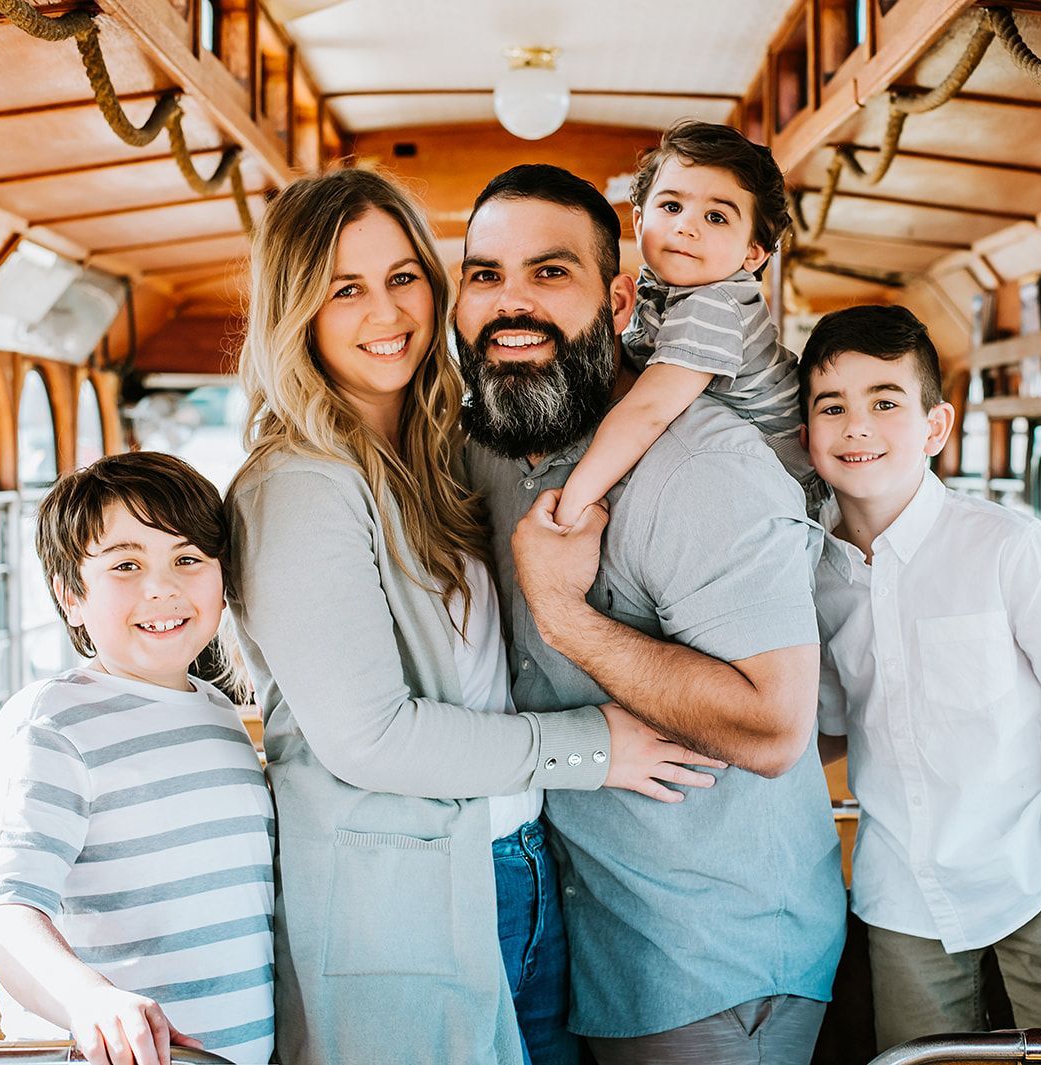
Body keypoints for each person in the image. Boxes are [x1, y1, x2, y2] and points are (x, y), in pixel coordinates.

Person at [224, 167, 723, 1065]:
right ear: (295, 309)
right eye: (346, 289)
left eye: (403, 276)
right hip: (405, 901)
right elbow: (370, 737)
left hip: (517, 866)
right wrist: (593, 746)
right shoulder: (298, 485)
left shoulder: (434, 451)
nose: (387, 314)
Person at [458, 163, 848, 1065]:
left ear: (621, 295)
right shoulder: (487, 439)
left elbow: (774, 725)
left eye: (550, 272)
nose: (512, 303)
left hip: (713, 956)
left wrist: (567, 615)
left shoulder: (704, 467)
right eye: (486, 275)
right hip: (575, 942)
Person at [797, 304, 1041, 1048]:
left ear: (935, 426)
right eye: (833, 407)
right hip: (901, 890)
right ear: (806, 436)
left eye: (885, 402)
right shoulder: (814, 574)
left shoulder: (1003, 544)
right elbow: (829, 725)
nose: (857, 427)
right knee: (925, 1061)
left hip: (1034, 866)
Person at [0, 451, 274, 1065]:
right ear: (70, 596)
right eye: (126, 565)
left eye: (188, 559)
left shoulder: (215, 709)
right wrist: (89, 999)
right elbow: (4, 910)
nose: (162, 586)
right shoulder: (51, 723)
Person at [553, 120, 805, 527]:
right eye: (671, 206)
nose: (686, 225)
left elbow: (648, 409)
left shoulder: (716, 303)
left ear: (754, 252)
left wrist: (571, 506)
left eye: (717, 217)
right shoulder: (654, 293)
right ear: (638, 223)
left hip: (784, 489)